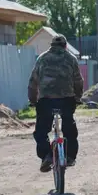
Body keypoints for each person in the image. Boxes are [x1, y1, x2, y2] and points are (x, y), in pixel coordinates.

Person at [28, 34, 84, 173]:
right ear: (65, 46)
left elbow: (33, 82)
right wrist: (78, 97)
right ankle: (70, 156)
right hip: (67, 100)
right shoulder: (71, 58)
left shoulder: (42, 58)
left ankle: (46, 155)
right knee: (69, 128)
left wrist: (33, 100)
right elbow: (78, 81)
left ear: (51, 46)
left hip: (46, 101)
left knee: (41, 131)